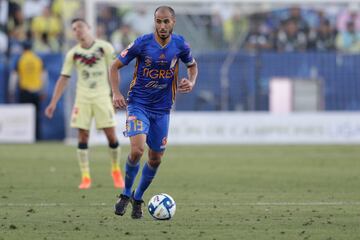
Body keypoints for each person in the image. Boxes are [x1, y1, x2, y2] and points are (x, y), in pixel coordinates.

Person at [110, 6, 198, 219]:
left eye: (166, 21)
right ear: (154, 22)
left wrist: (191, 81)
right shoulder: (142, 43)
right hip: (138, 105)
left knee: (156, 157)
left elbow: (192, 65)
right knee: (138, 150)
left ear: (173, 22)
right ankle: (125, 194)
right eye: (158, 21)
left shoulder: (180, 44)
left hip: (162, 109)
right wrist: (115, 93)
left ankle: (138, 198)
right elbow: (114, 67)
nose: (162, 26)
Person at [44, 18, 124, 189]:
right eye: (74, 28)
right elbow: (63, 79)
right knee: (82, 137)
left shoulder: (104, 47)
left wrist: (114, 94)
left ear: (89, 28)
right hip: (83, 98)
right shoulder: (73, 53)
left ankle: (116, 171)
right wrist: (53, 102)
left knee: (111, 135)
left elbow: (114, 71)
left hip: (102, 97)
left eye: (80, 26)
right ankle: (86, 177)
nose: (77, 30)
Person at [9, 41, 47, 141]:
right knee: (37, 116)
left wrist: (11, 91)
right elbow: (44, 76)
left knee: (25, 116)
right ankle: (37, 137)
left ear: (23, 49)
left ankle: (25, 136)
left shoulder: (21, 59)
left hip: (25, 91)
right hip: (37, 91)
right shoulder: (37, 59)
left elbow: (14, 77)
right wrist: (43, 90)